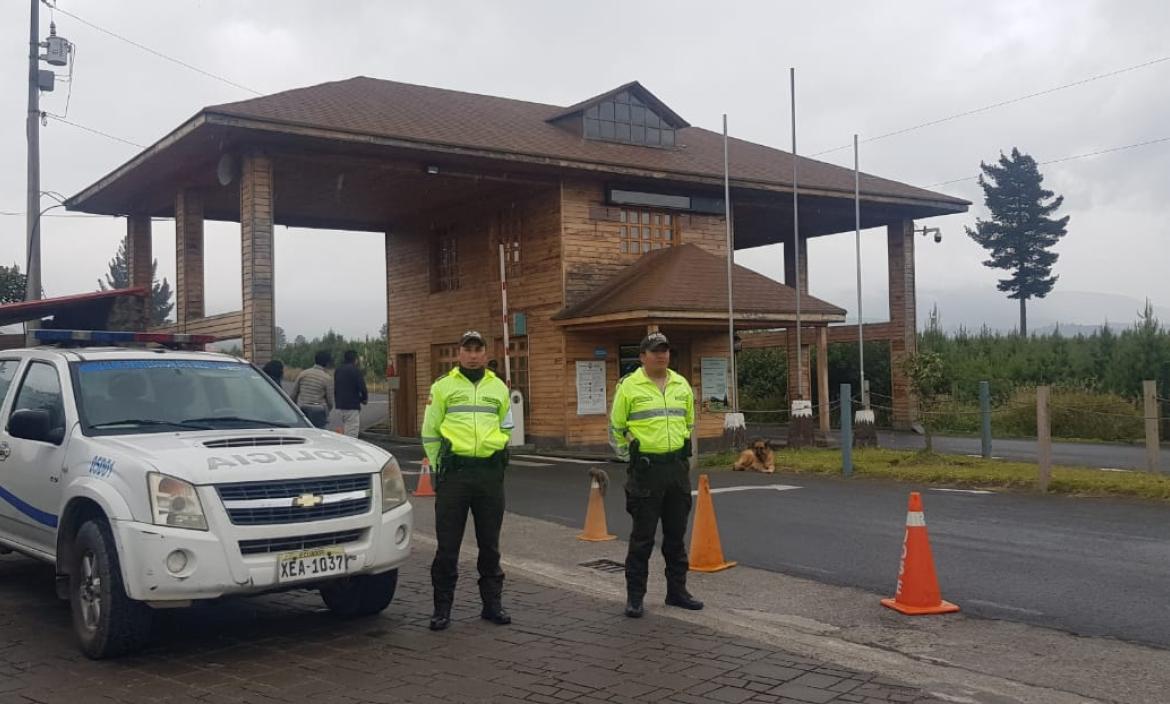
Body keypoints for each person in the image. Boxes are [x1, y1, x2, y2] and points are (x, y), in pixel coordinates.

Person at [421, 331, 514, 631]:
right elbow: (430, 431)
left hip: (488, 474)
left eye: (478, 349)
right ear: (458, 353)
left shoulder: (498, 387)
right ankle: (442, 609)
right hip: (455, 475)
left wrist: (496, 457)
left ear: (485, 353)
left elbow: (506, 426)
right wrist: (440, 467)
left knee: (490, 544)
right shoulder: (443, 387)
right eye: (467, 349)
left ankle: (492, 605)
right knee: (448, 546)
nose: (473, 354)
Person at [609, 332, 703, 618]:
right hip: (646, 471)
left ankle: (677, 592)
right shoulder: (629, 387)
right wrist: (633, 458)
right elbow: (615, 428)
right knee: (643, 538)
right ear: (642, 357)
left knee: (676, 536)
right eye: (654, 351)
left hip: (675, 470)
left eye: (665, 351)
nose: (661, 355)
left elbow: (689, 422)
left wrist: (685, 457)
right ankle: (635, 597)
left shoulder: (681, 384)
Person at [292, 350, 334, 427]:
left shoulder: (303, 373)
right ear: (327, 363)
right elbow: (330, 401)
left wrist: (295, 409)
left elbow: (293, 394)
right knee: (319, 434)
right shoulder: (327, 378)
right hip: (319, 411)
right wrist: (326, 411)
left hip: (303, 408)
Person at [334, 350, 368, 437]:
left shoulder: (338, 371)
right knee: (351, 435)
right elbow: (362, 387)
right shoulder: (355, 371)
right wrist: (364, 399)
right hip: (351, 407)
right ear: (355, 360)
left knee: (340, 434)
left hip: (339, 407)